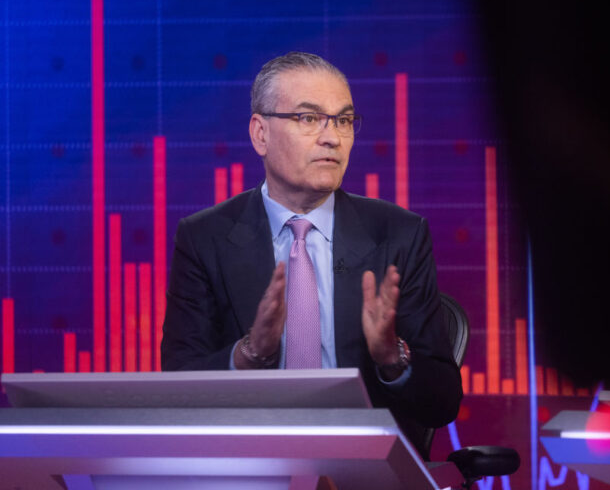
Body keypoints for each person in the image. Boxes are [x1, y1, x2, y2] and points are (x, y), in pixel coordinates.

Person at [161, 51, 462, 457]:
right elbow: (178, 388)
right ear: (260, 134)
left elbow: (443, 403)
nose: (332, 138)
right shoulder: (204, 238)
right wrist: (249, 354)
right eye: (308, 118)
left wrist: (392, 358)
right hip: (251, 462)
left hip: (362, 463)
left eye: (343, 121)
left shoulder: (399, 235)